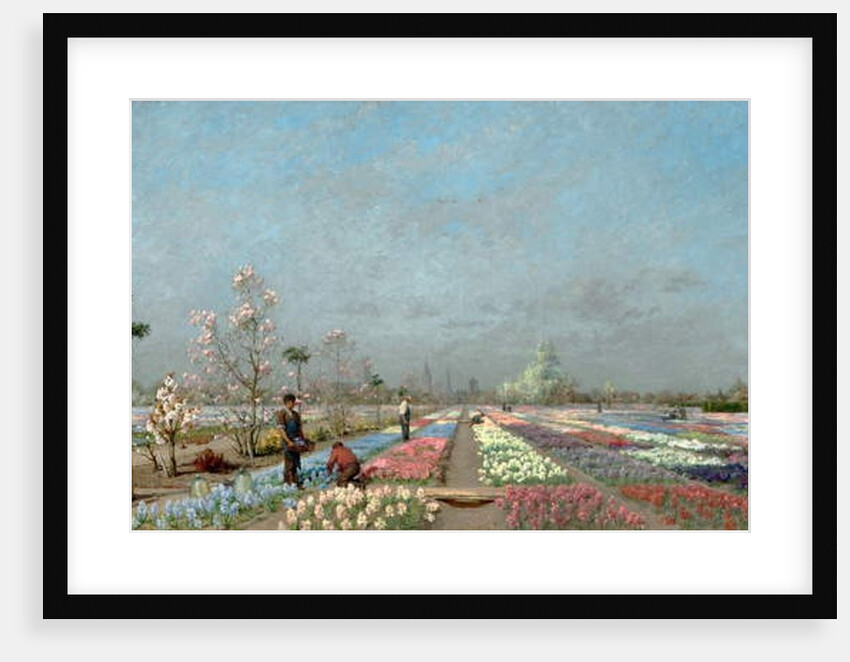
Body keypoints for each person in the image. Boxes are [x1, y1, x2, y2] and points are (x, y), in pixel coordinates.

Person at [277, 394, 312, 488]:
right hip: (288, 441)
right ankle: (289, 483)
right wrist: (288, 441)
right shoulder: (282, 413)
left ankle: (295, 482)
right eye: (292, 402)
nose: (293, 404)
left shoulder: (296, 414)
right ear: (288, 402)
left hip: (296, 440)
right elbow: (281, 430)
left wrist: (303, 440)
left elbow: (299, 429)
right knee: (289, 462)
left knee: (296, 461)